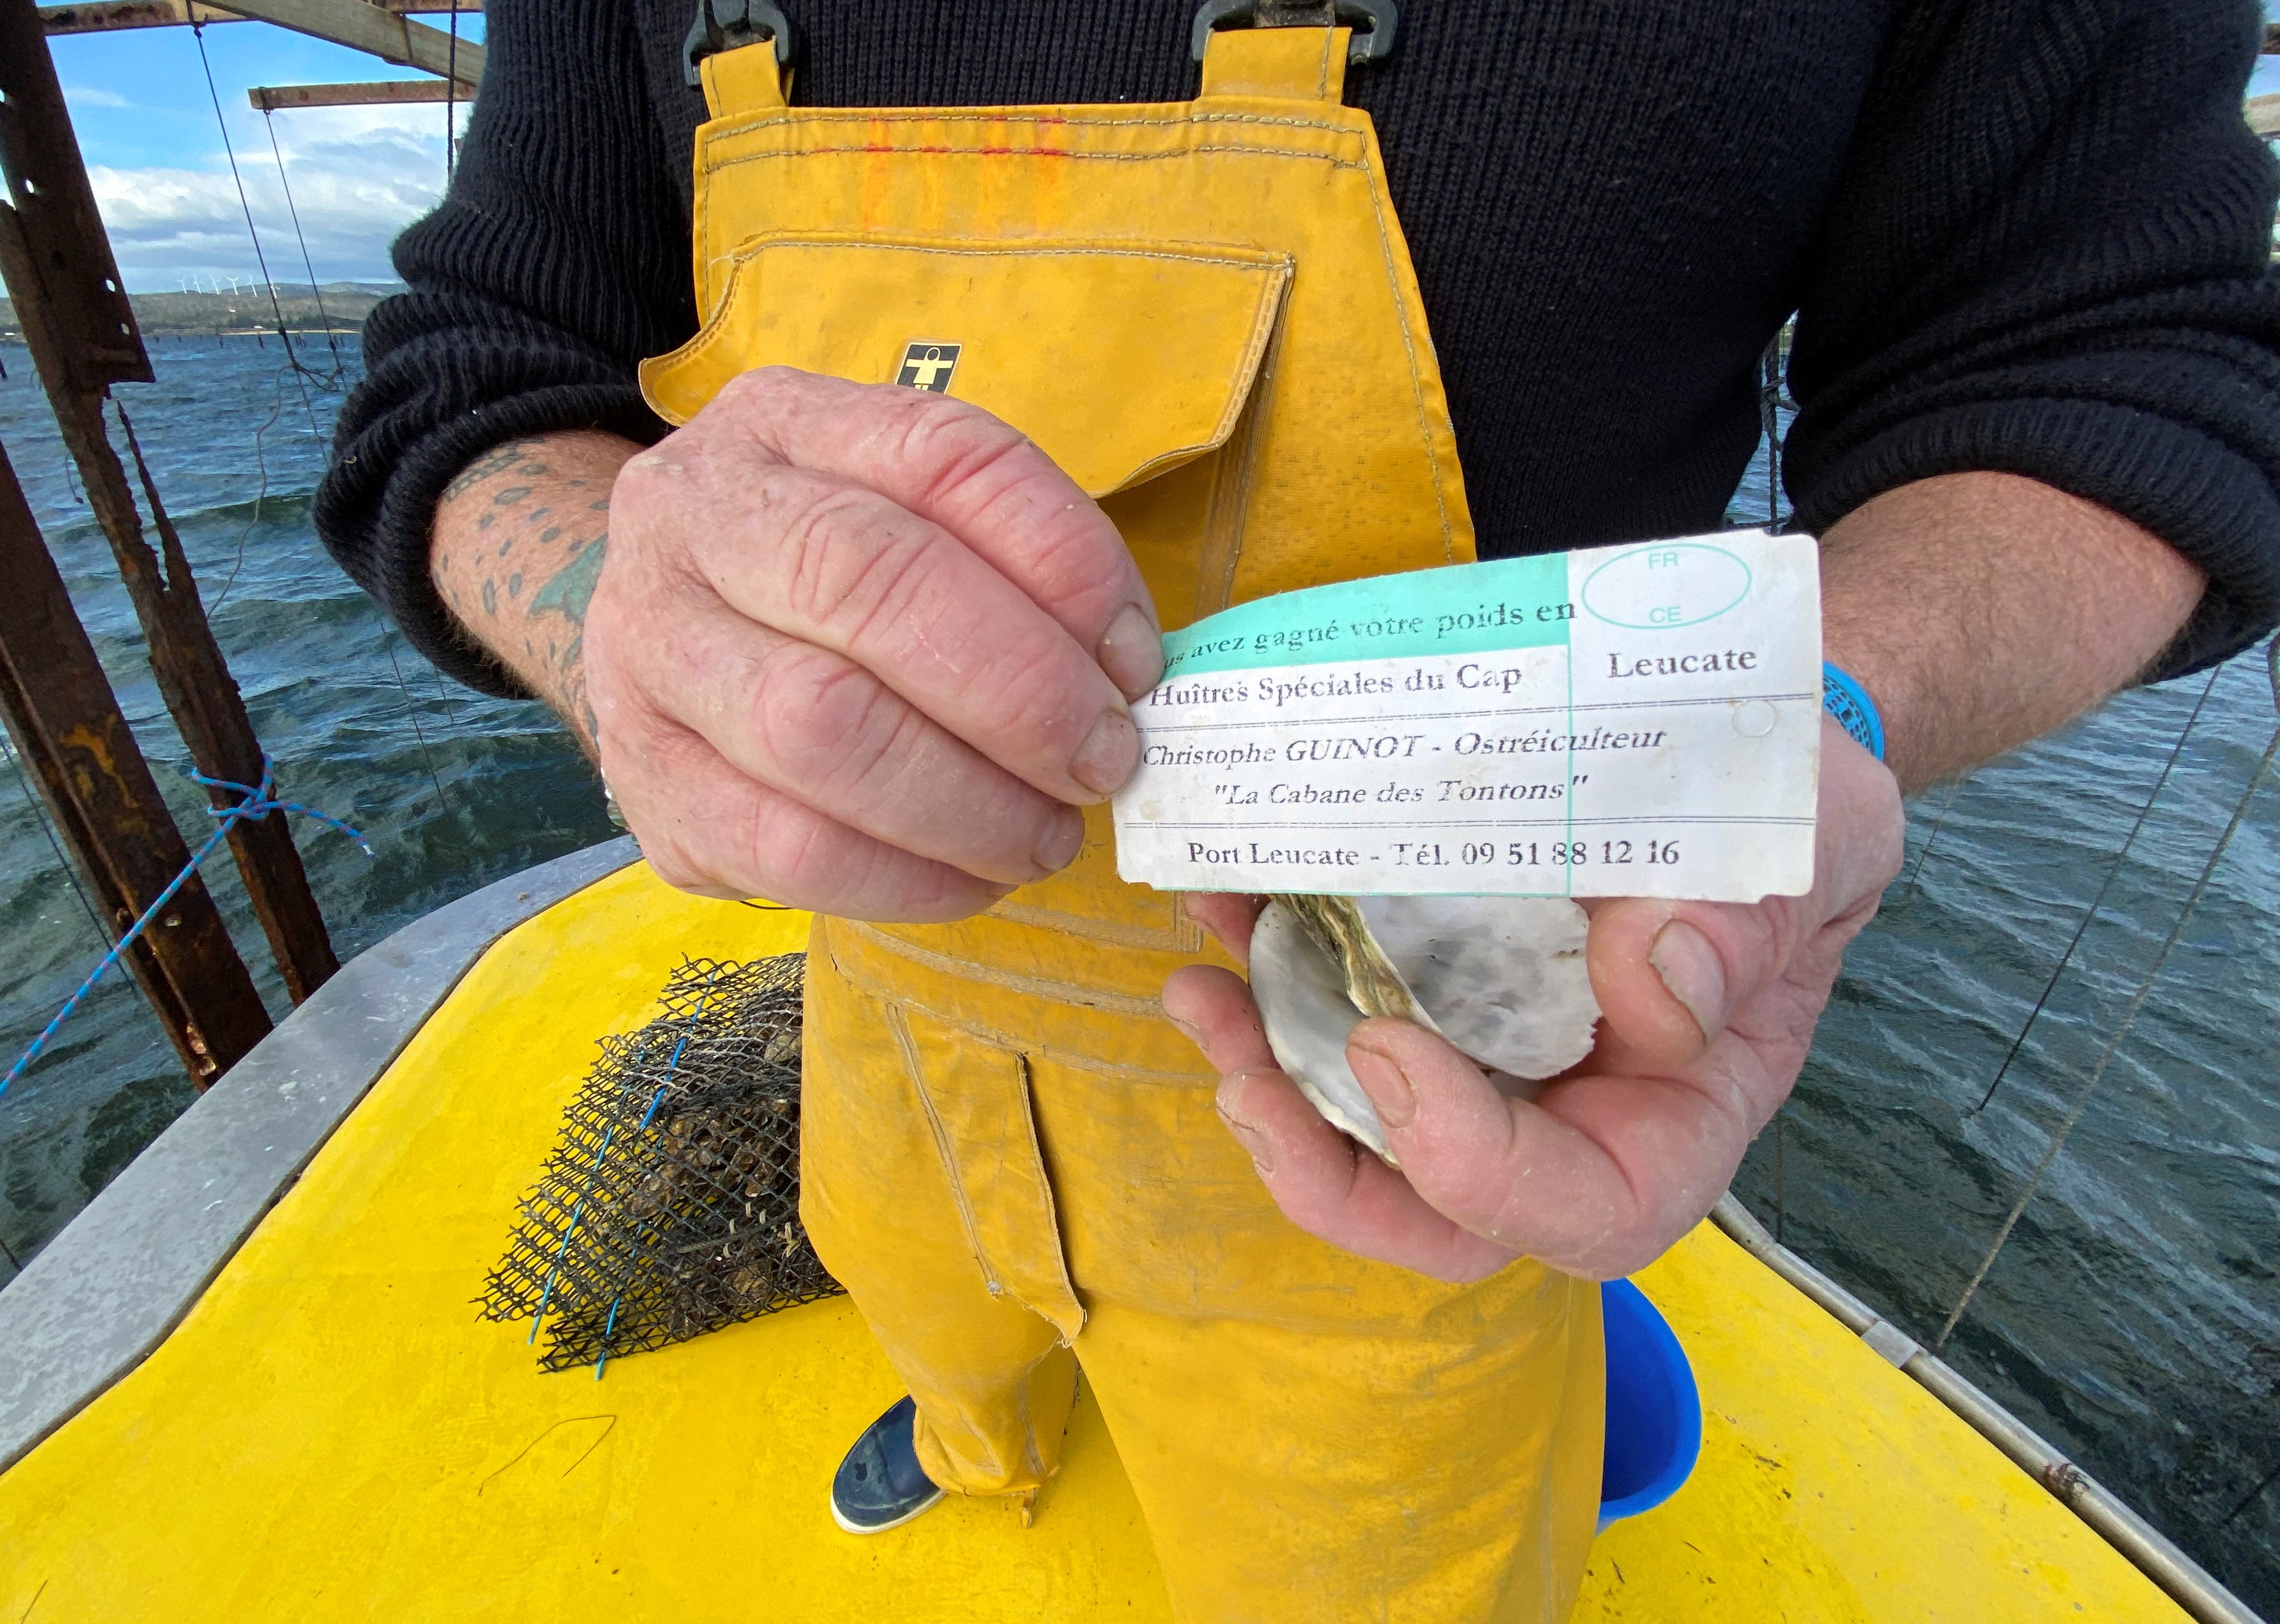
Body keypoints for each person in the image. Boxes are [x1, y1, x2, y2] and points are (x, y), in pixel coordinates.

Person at [315, 1, 2280, 1616]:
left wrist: (1802, 719)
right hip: (887, 1007)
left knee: (1384, 1559)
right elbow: (479, 378)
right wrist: (609, 620)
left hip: (1382, 1137)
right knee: (911, 1279)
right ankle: (975, 1422)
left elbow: (2118, 368)